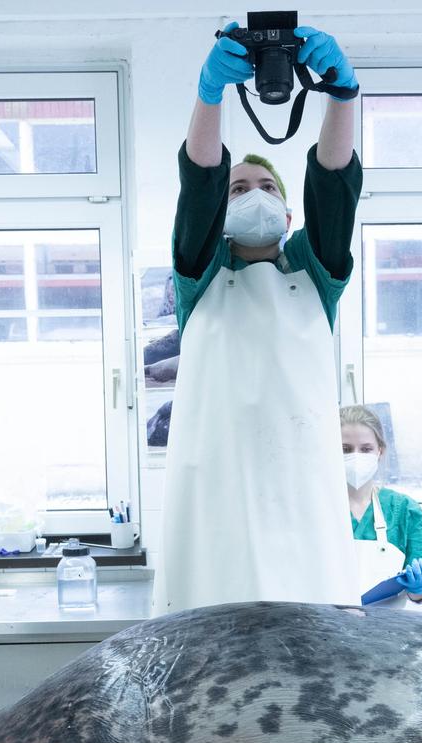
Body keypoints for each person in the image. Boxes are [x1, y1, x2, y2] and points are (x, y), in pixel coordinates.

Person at [154, 21, 364, 614]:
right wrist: (210, 94)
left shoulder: (312, 275)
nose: (253, 194)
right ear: (221, 211)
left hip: (299, 503)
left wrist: (342, 95)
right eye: (239, 187)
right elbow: (198, 181)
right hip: (215, 504)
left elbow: (332, 185)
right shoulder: (200, 276)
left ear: (288, 212)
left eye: (266, 186)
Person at [341, 405, 422, 605]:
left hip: (386, 631)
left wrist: (420, 586)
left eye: (366, 449)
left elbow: (419, 596)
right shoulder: (316, 511)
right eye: (346, 449)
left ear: (380, 451)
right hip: (326, 629)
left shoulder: (403, 509)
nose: (357, 456)